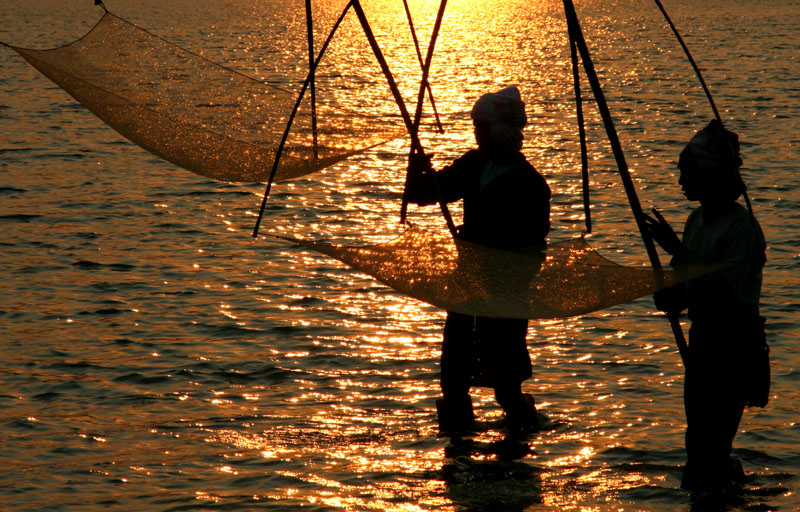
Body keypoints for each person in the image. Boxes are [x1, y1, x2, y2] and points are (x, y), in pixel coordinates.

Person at [404, 86, 551, 437]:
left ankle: (520, 443)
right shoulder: (474, 164)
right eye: (475, 126)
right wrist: (417, 171)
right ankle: (457, 451)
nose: (477, 133)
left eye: (483, 126)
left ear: (501, 130)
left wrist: (479, 244)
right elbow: (423, 195)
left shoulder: (531, 185)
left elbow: (531, 249)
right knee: (454, 381)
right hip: (466, 287)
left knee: (505, 385)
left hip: (504, 297)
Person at [643, 120, 767, 492]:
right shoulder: (696, 220)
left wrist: (677, 252)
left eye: (687, 173)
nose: (681, 182)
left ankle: (726, 485)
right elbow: (689, 282)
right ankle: (723, 488)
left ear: (709, 174)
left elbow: (725, 291)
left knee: (711, 444)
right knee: (697, 439)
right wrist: (672, 297)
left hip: (734, 345)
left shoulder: (741, 229)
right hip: (703, 343)